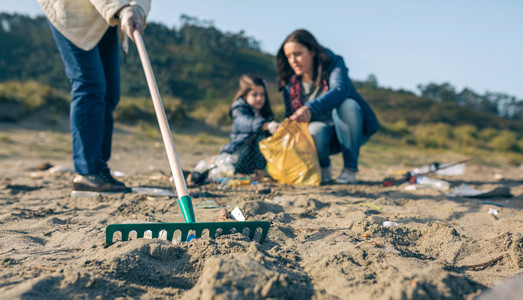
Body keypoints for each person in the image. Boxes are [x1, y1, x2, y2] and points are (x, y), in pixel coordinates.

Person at [37, 0, 151, 193]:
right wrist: (121, 7)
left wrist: (137, 8)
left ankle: (99, 168)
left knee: (110, 92)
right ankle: (87, 172)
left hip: (105, 18)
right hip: (71, 11)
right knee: (90, 85)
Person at [276, 29, 379, 184]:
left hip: (350, 131)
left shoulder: (334, 64)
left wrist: (310, 108)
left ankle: (350, 170)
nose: (293, 60)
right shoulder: (291, 86)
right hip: (321, 137)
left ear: (311, 51)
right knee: (314, 130)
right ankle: (323, 168)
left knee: (348, 105)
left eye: (297, 54)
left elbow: (340, 89)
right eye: (289, 56)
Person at [220, 74, 280, 177]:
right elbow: (244, 122)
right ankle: (259, 171)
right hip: (240, 154)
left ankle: (269, 169)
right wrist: (264, 125)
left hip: (253, 158)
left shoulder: (265, 112)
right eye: (254, 95)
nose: (259, 98)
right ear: (245, 95)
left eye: (262, 94)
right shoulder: (239, 109)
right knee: (260, 139)